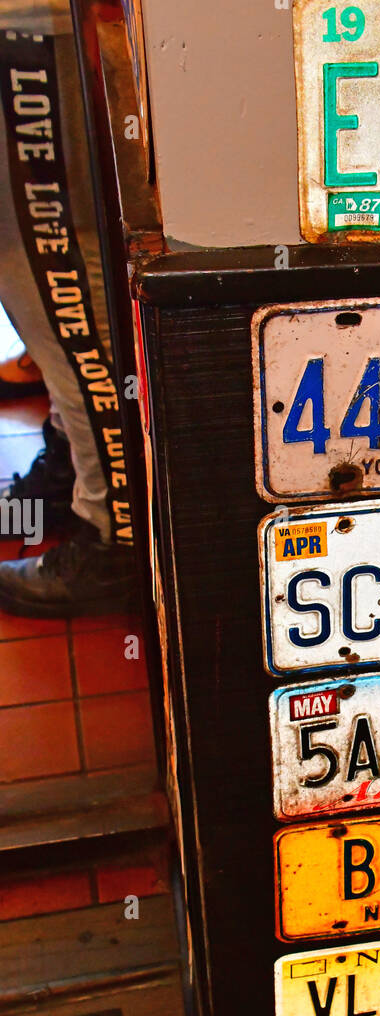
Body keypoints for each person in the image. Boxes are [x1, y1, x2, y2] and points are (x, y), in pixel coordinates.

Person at [0, 1, 135, 617]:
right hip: (27, 34)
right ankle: (71, 466)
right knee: (35, 290)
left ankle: (116, 535)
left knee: (62, 293)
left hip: (34, 35)